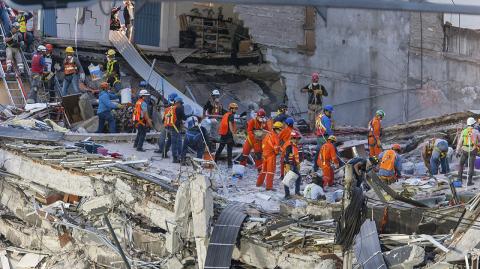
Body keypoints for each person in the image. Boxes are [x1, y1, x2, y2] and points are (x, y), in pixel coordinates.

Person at [256, 121, 283, 190]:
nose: (280, 131)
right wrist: (277, 152)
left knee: (263, 170)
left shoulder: (268, 134)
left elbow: (263, 144)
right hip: (271, 155)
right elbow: (276, 148)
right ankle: (269, 187)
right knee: (271, 171)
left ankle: (259, 183)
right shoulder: (275, 137)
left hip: (264, 154)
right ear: (277, 129)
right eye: (280, 129)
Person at [456, 117, 480, 186]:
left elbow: (460, 142)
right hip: (473, 150)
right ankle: (469, 182)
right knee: (471, 166)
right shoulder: (476, 131)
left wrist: (457, 151)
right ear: (473, 124)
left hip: (464, 150)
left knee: (461, 164)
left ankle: (459, 179)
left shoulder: (464, 131)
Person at [215, 103, 238, 168]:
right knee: (229, 150)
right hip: (228, 135)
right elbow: (230, 124)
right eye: (235, 109)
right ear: (231, 109)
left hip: (224, 134)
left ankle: (215, 160)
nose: (236, 110)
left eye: (236, 109)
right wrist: (233, 133)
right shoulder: (231, 115)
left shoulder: (226, 114)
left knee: (220, 148)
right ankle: (230, 165)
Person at [313, 105, 334, 172]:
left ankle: (315, 167)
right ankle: (339, 164)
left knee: (318, 151)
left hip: (319, 137)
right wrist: (332, 137)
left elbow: (316, 127)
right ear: (325, 111)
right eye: (330, 112)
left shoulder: (319, 117)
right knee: (333, 150)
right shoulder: (326, 119)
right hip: (325, 137)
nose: (330, 114)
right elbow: (328, 129)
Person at [155, 93, 178, 157]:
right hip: (172, 126)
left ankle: (161, 150)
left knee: (162, 138)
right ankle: (166, 153)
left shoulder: (167, 108)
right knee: (171, 140)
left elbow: (164, 118)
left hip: (166, 125)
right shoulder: (176, 107)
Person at [283, 131, 302, 199]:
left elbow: (295, 155)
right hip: (290, 165)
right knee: (288, 180)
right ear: (293, 138)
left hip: (294, 165)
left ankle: (296, 192)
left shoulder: (293, 145)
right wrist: (290, 165)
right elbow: (287, 156)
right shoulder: (289, 146)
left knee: (298, 178)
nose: (298, 140)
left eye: (298, 139)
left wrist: (297, 163)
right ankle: (287, 195)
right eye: (297, 139)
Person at [170, 97, 186, 163]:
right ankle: (178, 157)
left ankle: (174, 157)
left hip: (170, 126)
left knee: (173, 142)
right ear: (178, 102)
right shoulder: (179, 108)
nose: (182, 105)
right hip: (176, 127)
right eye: (181, 103)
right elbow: (184, 117)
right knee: (178, 142)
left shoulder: (172, 107)